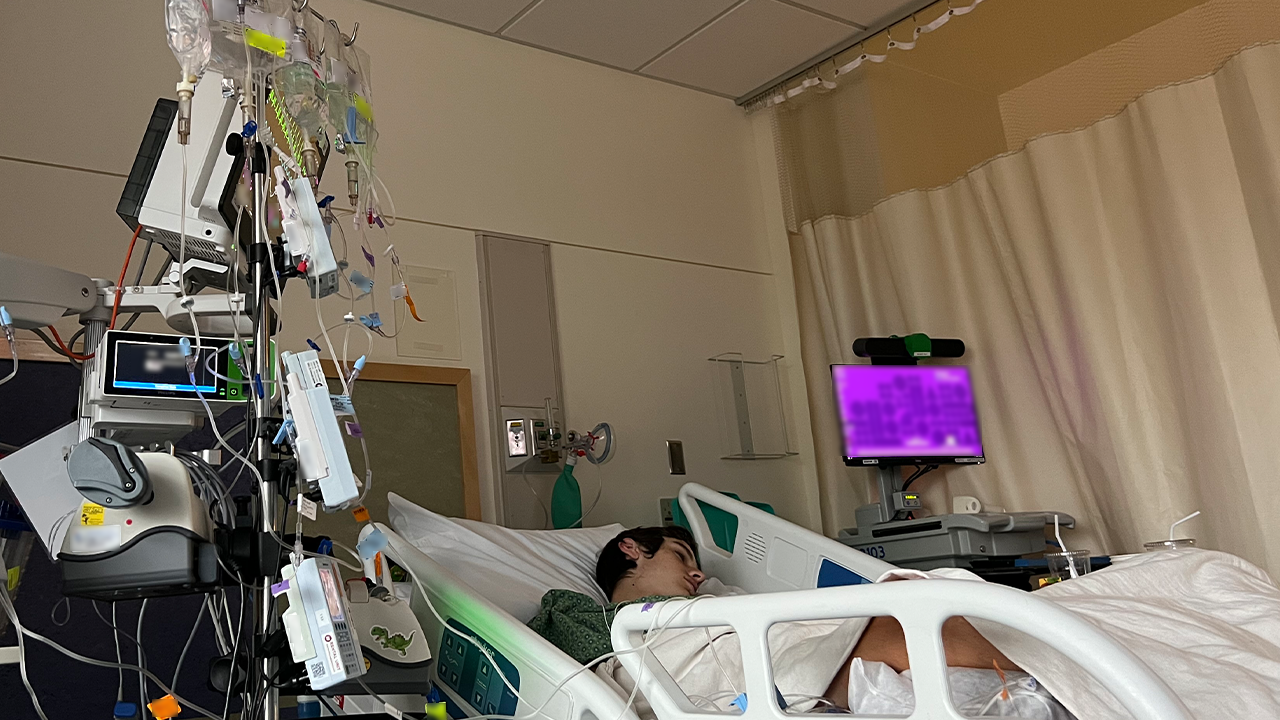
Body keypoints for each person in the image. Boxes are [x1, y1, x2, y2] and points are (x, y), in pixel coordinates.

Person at [528, 526, 1023, 713]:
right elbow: (568, 655)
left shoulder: (721, 599)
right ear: (631, 548)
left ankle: (1062, 649)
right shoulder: (584, 615)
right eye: (683, 556)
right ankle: (1069, 661)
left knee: (919, 595)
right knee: (918, 608)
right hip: (727, 666)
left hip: (784, 639)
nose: (699, 572)